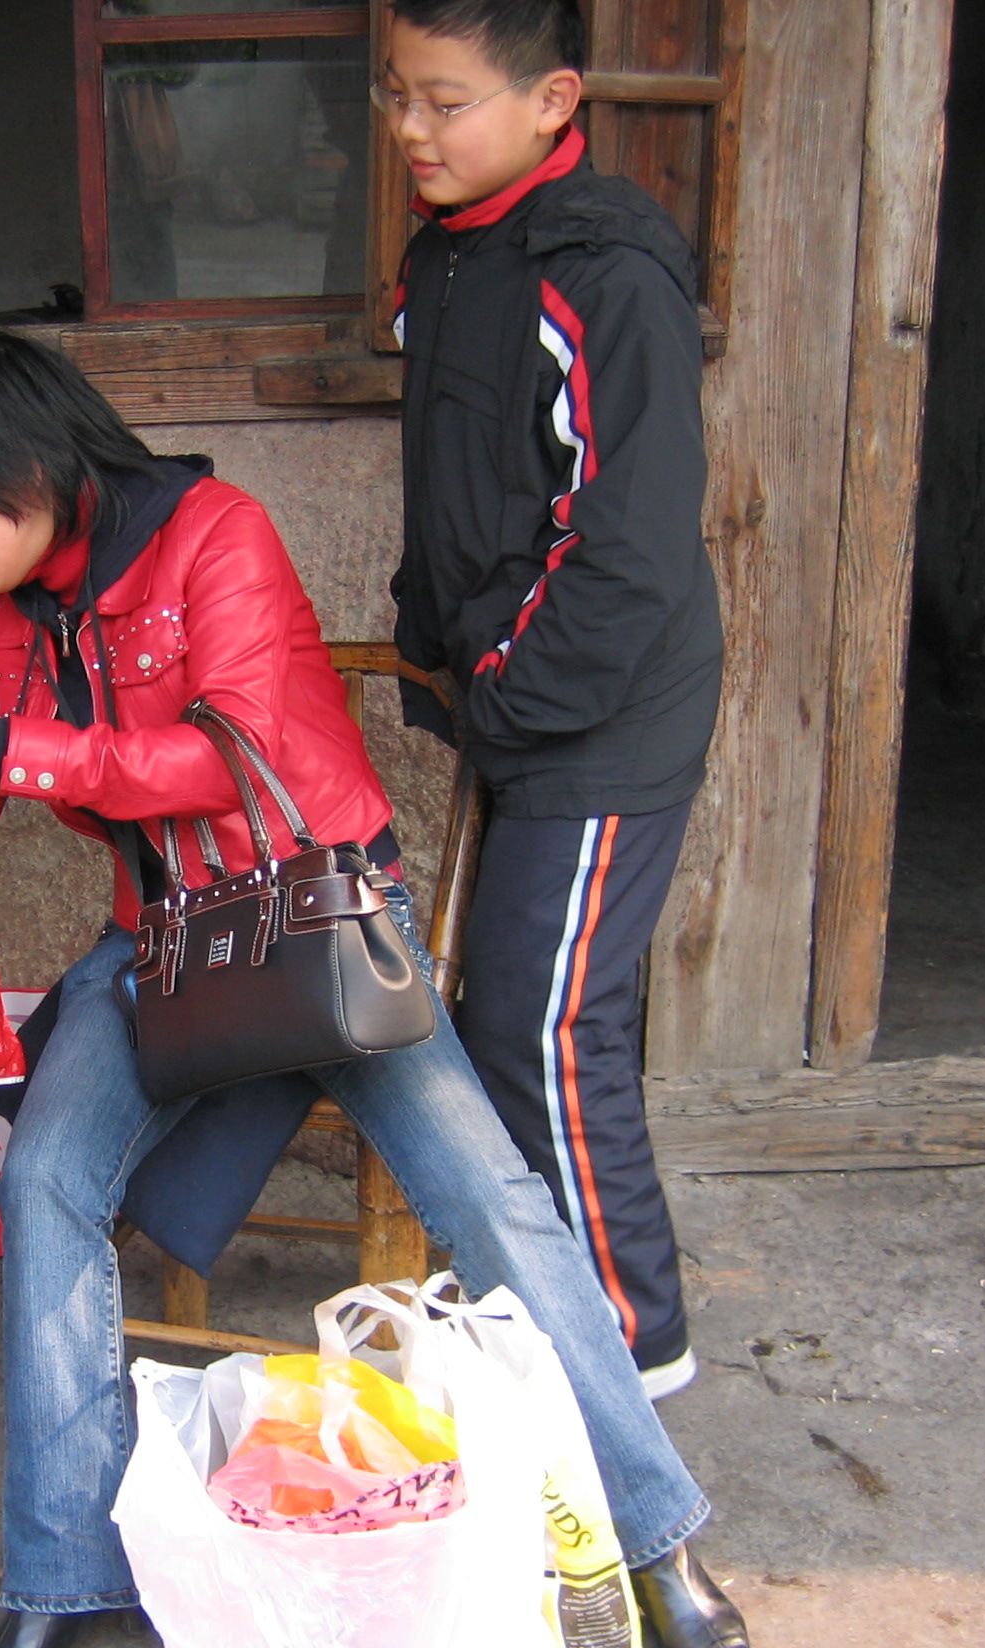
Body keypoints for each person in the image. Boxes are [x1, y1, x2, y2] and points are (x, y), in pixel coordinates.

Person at [0, 327, 763, 1648]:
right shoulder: (6, 609)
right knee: (45, 1180)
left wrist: (10, 751)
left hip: (321, 922)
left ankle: (659, 1545)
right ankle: (56, 1586)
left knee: (493, 1202)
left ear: (21, 462)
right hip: (167, 941)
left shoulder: (213, 531)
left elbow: (231, 758)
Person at [381, 1, 726, 1400]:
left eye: (446, 100)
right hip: (518, 695)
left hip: (604, 707)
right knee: (511, 1014)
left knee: (546, 1022)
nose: (412, 130)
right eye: (397, 95)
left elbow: (627, 542)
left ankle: (632, 1349)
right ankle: (538, 1310)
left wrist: (509, 691)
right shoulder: (450, 252)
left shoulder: (606, 272)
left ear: (553, 100)